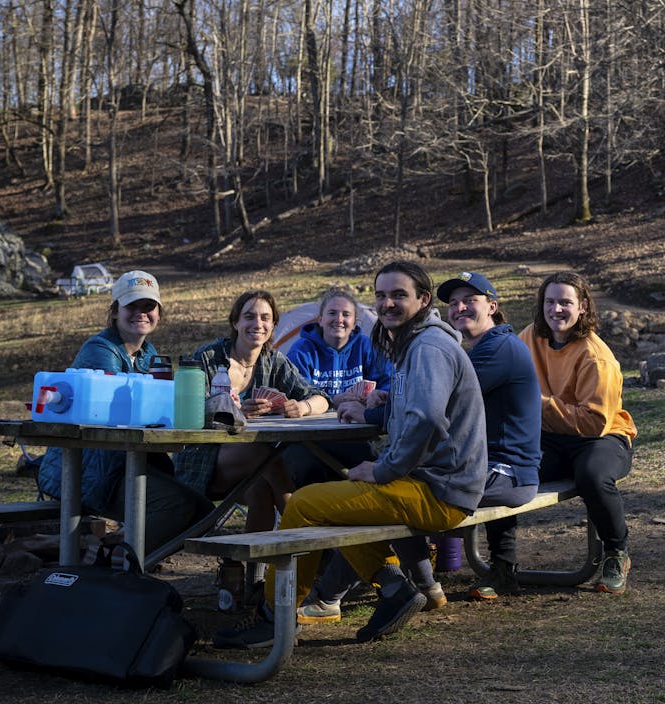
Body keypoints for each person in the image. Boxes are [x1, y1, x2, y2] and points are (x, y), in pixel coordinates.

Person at [213, 261, 487, 649]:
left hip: (441, 489)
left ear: (423, 299)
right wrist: (374, 413)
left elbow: (425, 418)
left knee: (303, 505)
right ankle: (394, 588)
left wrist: (384, 469)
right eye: (381, 295)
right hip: (432, 482)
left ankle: (275, 618)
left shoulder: (428, 347)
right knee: (331, 497)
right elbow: (412, 406)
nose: (388, 303)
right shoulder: (416, 343)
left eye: (399, 295)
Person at [37, 270, 213, 553]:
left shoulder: (150, 355)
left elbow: (157, 411)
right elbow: (121, 414)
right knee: (179, 506)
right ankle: (114, 564)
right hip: (88, 472)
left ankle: (126, 560)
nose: (141, 313)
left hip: (129, 464)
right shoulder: (100, 350)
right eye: (132, 305)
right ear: (115, 311)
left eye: (149, 306)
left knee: (205, 511)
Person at [175, 290, 329, 571]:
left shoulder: (274, 361)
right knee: (265, 453)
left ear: (272, 326)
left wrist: (303, 407)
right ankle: (303, 530)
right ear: (235, 322)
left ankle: (254, 579)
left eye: (265, 318)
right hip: (201, 461)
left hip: (251, 470)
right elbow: (187, 407)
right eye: (249, 316)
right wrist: (233, 412)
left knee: (261, 490)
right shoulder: (209, 357)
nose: (257, 324)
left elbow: (321, 397)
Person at [519, 271, 637, 594]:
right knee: (507, 468)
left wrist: (535, 404)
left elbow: (593, 423)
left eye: (565, 302)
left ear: (582, 306)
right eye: (550, 301)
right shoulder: (529, 338)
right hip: (552, 437)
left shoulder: (596, 357)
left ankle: (616, 552)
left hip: (603, 437)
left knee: (591, 476)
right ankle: (499, 564)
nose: (556, 309)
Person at [283, 284, 392, 623]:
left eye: (346, 314)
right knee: (310, 478)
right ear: (321, 317)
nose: (339, 320)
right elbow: (296, 394)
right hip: (307, 439)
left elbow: (387, 380)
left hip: (353, 436)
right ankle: (322, 568)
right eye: (332, 313)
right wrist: (336, 398)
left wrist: (377, 396)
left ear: (356, 320)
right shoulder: (303, 349)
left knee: (364, 483)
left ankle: (361, 565)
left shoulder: (366, 345)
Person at [434, 271, 541, 600]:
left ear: (492, 306)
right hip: (492, 465)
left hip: (508, 474)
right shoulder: (484, 348)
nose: (460, 307)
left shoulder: (498, 350)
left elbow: (439, 403)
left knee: (408, 490)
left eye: (470, 300)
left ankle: (407, 577)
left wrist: (372, 412)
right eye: (453, 303)